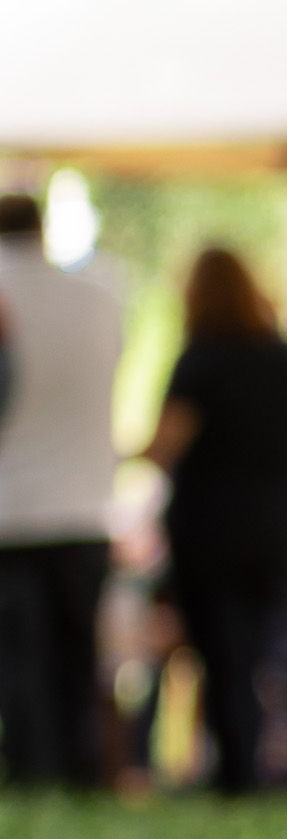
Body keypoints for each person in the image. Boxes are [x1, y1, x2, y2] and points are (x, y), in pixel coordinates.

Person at [145, 246, 287, 796]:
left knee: (223, 658)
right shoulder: (283, 355)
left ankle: (239, 777)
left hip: (206, 531)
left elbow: (166, 444)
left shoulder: (201, 360)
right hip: (271, 528)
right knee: (285, 652)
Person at [0, 188, 127, 791]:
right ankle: (83, 776)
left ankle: (34, 775)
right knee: (76, 661)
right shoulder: (100, 298)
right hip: (85, 507)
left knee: (20, 665)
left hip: (12, 511)